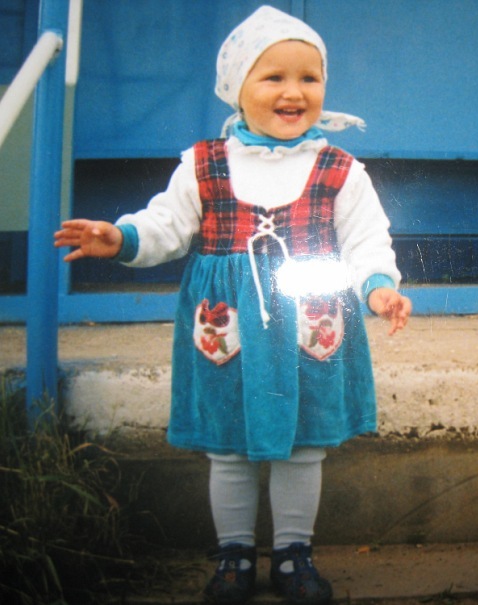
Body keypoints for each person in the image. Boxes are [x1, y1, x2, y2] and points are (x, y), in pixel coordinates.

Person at [55, 6, 411, 604]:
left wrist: (378, 286)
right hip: (228, 329)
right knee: (228, 447)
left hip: (308, 325)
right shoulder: (204, 164)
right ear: (236, 88)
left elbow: (367, 239)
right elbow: (167, 225)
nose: (294, 92)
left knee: (303, 445)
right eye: (273, 77)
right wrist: (121, 238)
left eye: (309, 78)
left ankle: (293, 553)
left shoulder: (340, 170)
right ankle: (234, 554)